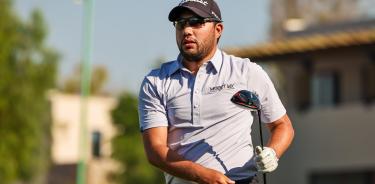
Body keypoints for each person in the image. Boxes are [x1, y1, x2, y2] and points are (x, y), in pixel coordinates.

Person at [138, 0, 295, 183]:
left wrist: (272, 152)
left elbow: (282, 125)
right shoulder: (156, 81)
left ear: (218, 29)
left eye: (196, 22)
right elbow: (155, 150)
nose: (187, 30)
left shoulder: (245, 72)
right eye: (181, 24)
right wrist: (202, 175)